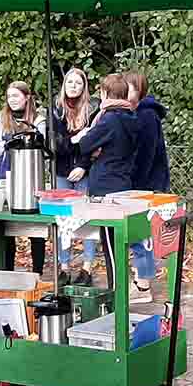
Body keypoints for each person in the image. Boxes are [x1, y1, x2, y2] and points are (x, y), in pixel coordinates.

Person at [74, 74, 140, 292]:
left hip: (106, 186)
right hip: (124, 182)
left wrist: (84, 135)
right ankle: (120, 288)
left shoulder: (110, 119)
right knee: (119, 243)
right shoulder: (132, 117)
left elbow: (85, 145)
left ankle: (117, 293)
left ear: (105, 93)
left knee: (111, 246)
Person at [0, 80, 48, 274]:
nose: (12, 100)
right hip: (5, 175)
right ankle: (6, 272)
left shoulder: (38, 120)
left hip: (31, 175)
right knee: (4, 226)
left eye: (16, 96)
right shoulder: (0, 119)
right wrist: (9, 146)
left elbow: (42, 147)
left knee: (35, 229)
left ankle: (37, 272)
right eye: (9, 96)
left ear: (27, 97)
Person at [125, 72, 171, 304]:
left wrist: (137, 184)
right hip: (144, 183)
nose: (126, 92)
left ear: (139, 91)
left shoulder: (146, 116)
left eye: (130, 89)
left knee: (142, 236)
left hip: (148, 185)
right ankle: (141, 280)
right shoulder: (138, 114)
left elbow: (146, 155)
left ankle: (142, 285)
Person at [51, 68, 99, 286]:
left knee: (86, 219)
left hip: (83, 171)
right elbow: (56, 145)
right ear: (64, 85)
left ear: (84, 87)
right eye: (70, 82)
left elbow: (93, 143)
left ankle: (87, 268)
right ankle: (63, 266)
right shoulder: (56, 109)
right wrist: (73, 140)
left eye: (78, 83)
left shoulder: (92, 109)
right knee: (64, 220)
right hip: (61, 170)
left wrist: (83, 165)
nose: (73, 86)